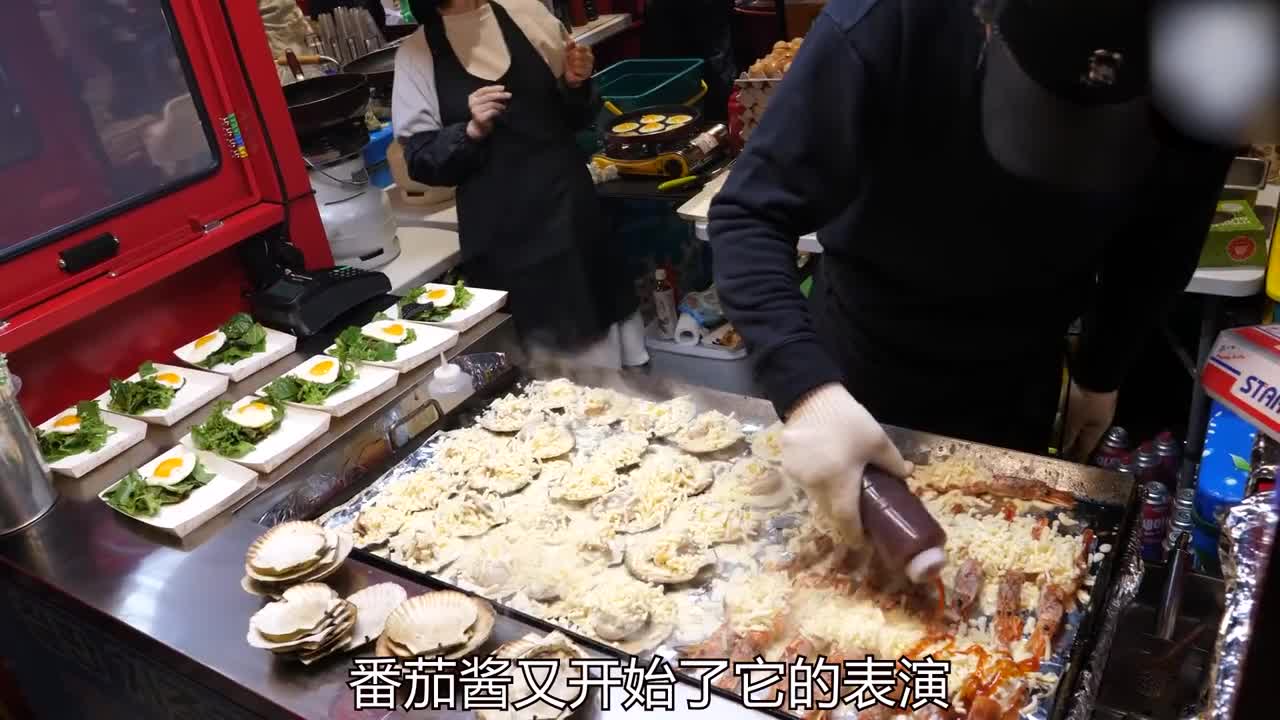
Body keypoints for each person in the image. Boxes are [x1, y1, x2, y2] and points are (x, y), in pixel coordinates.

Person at [710, 0, 1235, 536]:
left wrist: (1103, 368)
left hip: (1022, 370)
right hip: (865, 358)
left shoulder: (1210, 64)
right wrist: (809, 392)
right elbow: (750, 213)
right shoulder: (888, 21)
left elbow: (1164, 237)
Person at [393, 0, 646, 367]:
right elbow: (421, 160)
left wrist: (576, 84)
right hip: (501, 239)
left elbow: (574, 118)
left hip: (569, 212)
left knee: (603, 344)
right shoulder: (415, 55)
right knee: (540, 380)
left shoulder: (528, 13)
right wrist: (469, 131)